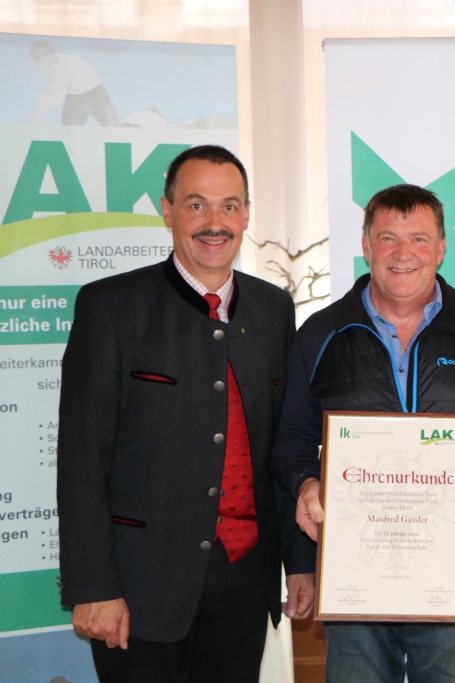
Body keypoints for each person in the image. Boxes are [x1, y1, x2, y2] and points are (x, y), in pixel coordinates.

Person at [57, 145, 316, 683]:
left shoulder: (274, 309)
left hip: (245, 582)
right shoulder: (110, 307)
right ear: (168, 210)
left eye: (229, 206)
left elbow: (282, 444)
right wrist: (94, 586)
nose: (214, 222)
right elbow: (81, 461)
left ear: (247, 214)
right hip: (138, 587)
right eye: (197, 205)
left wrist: (300, 563)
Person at [271, 183, 455, 683]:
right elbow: (291, 436)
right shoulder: (320, 334)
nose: (403, 254)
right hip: (354, 586)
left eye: (419, 239)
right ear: (366, 245)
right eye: (387, 238)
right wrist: (305, 482)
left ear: (440, 248)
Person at [26, 41, 118, 126]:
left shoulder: (63, 65)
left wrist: (38, 111)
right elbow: (52, 90)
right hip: (73, 100)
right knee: (68, 131)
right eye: (36, 60)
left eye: (41, 59)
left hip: (95, 96)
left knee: (112, 129)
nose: (38, 63)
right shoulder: (48, 69)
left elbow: (56, 93)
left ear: (49, 55)